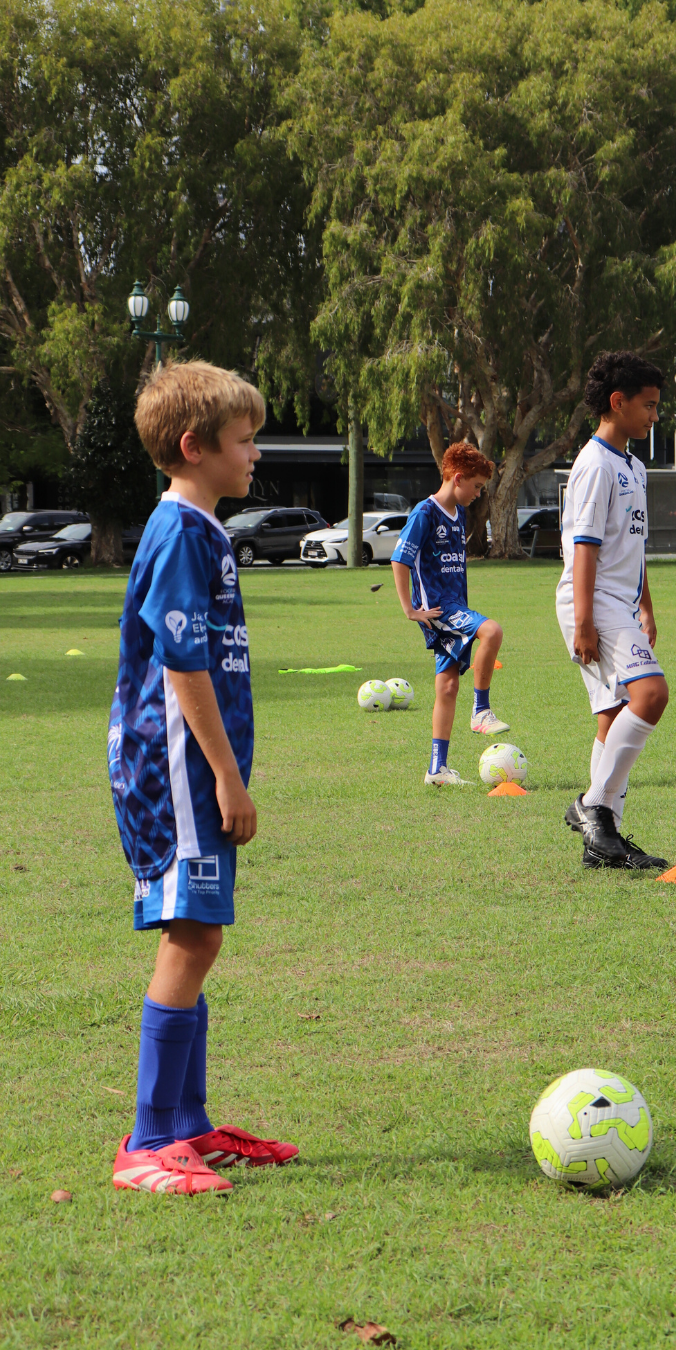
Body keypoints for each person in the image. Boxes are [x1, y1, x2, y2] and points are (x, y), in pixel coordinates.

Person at [108, 360, 297, 1195]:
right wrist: (228, 777)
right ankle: (147, 1142)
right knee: (193, 934)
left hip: (190, 765)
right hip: (179, 766)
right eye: (244, 440)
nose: (255, 453)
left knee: (200, 931)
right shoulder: (181, 531)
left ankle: (188, 1126)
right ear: (195, 447)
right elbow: (182, 666)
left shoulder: (200, 528)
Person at [557, 352, 670, 870]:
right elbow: (584, 546)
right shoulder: (594, 464)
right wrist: (583, 620)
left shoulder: (634, 466)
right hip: (593, 598)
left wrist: (645, 603)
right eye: (647, 406)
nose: (653, 416)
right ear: (617, 403)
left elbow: (635, 546)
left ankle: (606, 844)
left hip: (619, 601)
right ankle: (593, 806)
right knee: (651, 694)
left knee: (611, 717)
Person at [390, 442, 509, 786]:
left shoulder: (460, 514)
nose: (478, 494)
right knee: (492, 631)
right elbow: (400, 559)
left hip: (454, 604)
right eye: (476, 486)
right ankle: (481, 711)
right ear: (457, 478)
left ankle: (437, 770)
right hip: (440, 609)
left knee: (447, 686)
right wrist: (410, 610)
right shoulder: (425, 513)